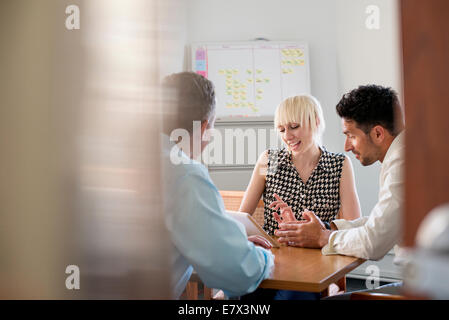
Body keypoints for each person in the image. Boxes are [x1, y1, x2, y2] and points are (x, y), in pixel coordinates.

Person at [274, 85, 406, 297]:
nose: (346, 145)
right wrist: (328, 226)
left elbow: (374, 242)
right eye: (282, 129)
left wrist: (323, 237)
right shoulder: (404, 155)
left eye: (351, 136)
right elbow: (381, 222)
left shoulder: (402, 166)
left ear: (378, 133)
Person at [161, 72, 274, 299]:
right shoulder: (185, 173)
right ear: (204, 128)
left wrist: (229, 244)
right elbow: (241, 273)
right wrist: (262, 258)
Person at [239, 94, 361, 300]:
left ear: (316, 121)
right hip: (271, 261)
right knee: (247, 293)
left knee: (292, 297)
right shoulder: (270, 160)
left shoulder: (340, 165)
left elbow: (353, 228)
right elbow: (243, 217)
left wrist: (316, 231)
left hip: (316, 264)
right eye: (281, 129)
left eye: (294, 126)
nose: (287, 136)